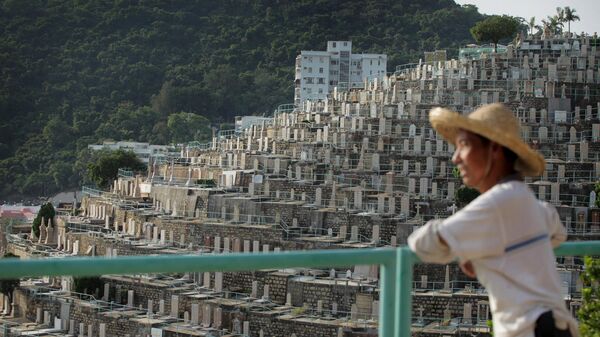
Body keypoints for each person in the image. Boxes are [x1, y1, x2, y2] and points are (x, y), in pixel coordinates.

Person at [408, 103, 578, 337]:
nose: (456, 158)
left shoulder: (496, 204)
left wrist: (468, 249)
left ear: (494, 149)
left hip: (528, 329)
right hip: (557, 325)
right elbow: (558, 233)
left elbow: (423, 243)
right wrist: (492, 251)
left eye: (464, 145)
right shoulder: (530, 203)